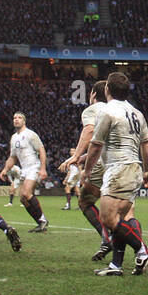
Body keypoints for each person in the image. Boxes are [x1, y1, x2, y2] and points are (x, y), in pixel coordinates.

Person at [80, 71, 148, 276]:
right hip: (134, 168)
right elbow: (146, 143)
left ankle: (142, 249)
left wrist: (86, 172)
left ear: (107, 90)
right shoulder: (137, 113)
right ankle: (116, 265)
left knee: (108, 218)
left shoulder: (108, 112)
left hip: (119, 169)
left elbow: (96, 145)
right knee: (121, 216)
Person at [58, 81, 113, 261]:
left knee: (85, 201)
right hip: (119, 162)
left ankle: (107, 239)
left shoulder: (92, 109)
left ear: (93, 94)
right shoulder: (117, 109)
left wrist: (76, 155)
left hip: (100, 162)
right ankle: (138, 251)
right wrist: (83, 157)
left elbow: (89, 131)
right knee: (120, 208)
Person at [0, 113, 48, 233]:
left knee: (26, 193)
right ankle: (40, 222)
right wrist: (5, 169)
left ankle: (43, 220)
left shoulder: (30, 134)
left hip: (34, 166)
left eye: (19, 118)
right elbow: (12, 157)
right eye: (14, 118)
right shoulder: (13, 138)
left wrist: (43, 168)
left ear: (24, 121)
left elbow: (41, 150)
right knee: (22, 198)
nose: (16, 120)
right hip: (24, 169)